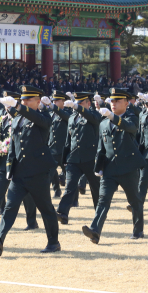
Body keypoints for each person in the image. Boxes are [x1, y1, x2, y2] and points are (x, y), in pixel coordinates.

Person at [0, 85, 60, 256]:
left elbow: (40, 121)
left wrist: (19, 107)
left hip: (38, 172)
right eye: (23, 99)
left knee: (46, 209)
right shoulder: (18, 118)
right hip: (19, 173)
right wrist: (10, 167)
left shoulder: (44, 116)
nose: (24, 101)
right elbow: (14, 144)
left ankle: (54, 242)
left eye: (29, 99)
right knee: (10, 207)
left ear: (38, 101)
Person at [83, 88, 146, 244]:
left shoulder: (132, 118)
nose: (114, 104)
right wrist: (98, 166)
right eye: (112, 101)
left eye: (118, 101)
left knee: (134, 200)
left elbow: (130, 128)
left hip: (128, 167)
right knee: (103, 200)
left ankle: (138, 230)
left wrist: (113, 117)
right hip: (110, 168)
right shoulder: (104, 123)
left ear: (126, 103)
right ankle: (95, 231)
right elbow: (101, 147)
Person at [56, 92, 102, 225]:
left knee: (95, 188)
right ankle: (63, 213)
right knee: (70, 186)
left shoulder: (94, 115)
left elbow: (92, 118)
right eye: (76, 103)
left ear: (88, 103)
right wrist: (65, 158)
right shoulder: (72, 117)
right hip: (74, 158)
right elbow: (68, 140)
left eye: (81, 103)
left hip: (90, 158)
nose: (77, 105)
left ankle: (99, 214)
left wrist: (78, 108)